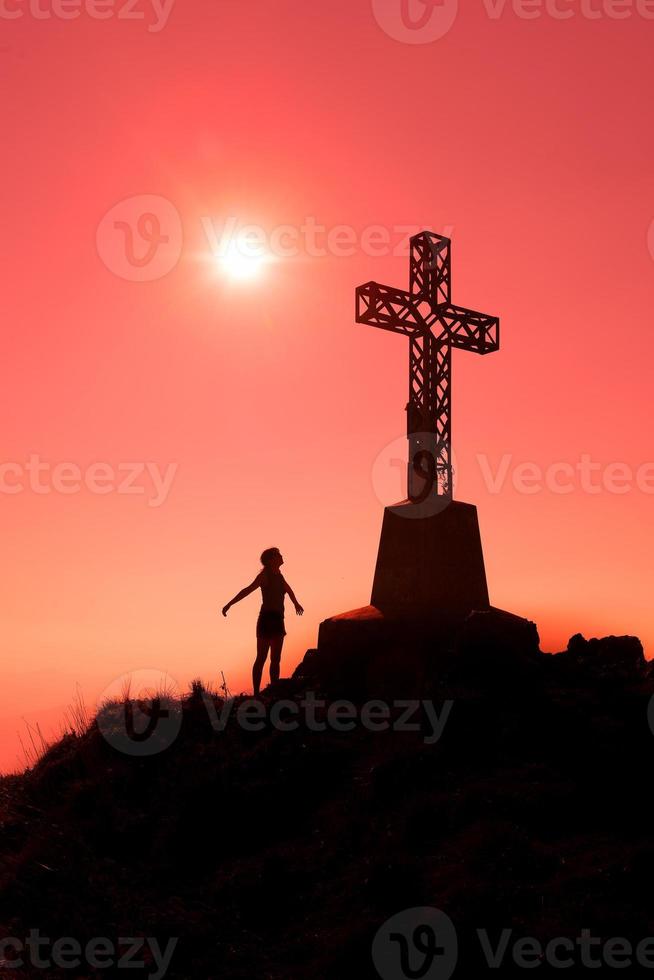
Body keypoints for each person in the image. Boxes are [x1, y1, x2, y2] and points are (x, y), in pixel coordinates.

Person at [222, 547, 304, 696]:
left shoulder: (279, 575)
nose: (281, 556)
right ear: (271, 559)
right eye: (278, 554)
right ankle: (256, 693)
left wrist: (296, 603)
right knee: (261, 658)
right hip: (266, 620)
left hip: (279, 620)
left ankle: (274, 690)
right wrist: (229, 604)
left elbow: (288, 590)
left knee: (276, 659)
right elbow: (247, 590)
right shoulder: (264, 576)